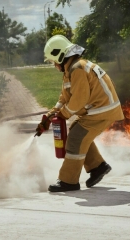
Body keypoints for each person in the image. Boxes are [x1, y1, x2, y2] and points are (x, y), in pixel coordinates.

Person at [35, 35, 124, 192]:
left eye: (53, 61)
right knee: (78, 131)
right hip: (99, 109)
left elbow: (79, 100)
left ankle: (68, 181)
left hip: (102, 110)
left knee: (76, 138)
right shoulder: (71, 69)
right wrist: (49, 116)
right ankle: (97, 167)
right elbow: (64, 98)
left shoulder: (77, 69)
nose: (54, 65)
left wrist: (63, 114)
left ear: (60, 55)